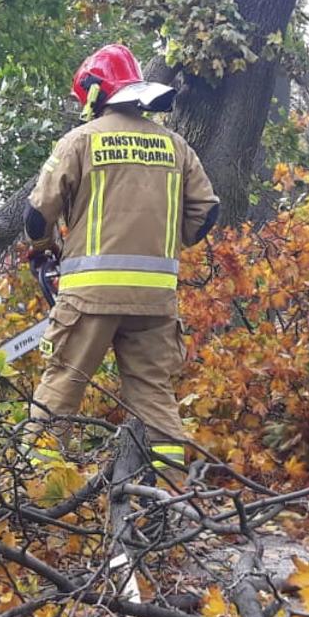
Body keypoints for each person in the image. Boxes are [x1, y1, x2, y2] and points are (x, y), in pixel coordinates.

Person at [25, 44, 220, 477]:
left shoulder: (79, 141)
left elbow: (38, 213)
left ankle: (35, 487)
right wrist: (165, 240)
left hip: (89, 296)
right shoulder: (175, 146)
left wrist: (42, 250)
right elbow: (206, 212)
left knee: (62, 385)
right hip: (154, 300)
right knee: (155, 397)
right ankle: (170, 491)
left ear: (94, 94)